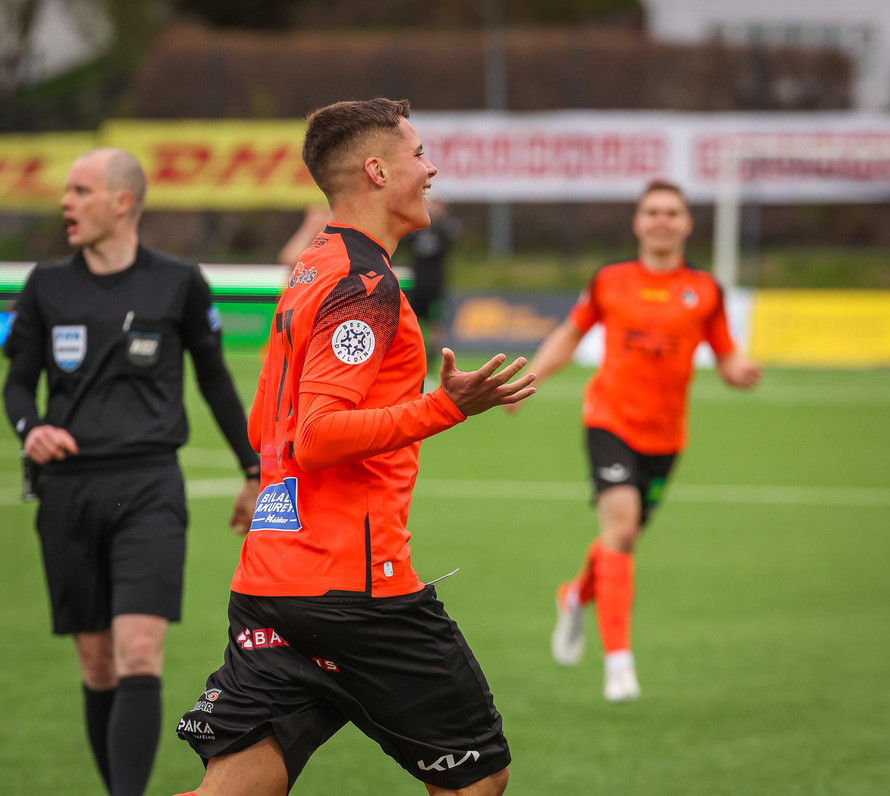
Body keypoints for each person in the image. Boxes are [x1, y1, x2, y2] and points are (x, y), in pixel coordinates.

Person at [173, 98, 535, 796]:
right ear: (377, 170)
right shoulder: (365, 284)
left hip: (271, 581)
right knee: (477, 781)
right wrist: (446, 406)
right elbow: (314, 438)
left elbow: (265, 426)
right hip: (355, 591)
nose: (431, 169)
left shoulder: (312, 266)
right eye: (418, 154)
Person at [2, 147, 261, 796]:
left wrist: (252, 467)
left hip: (149, 487)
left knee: (139, 651)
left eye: (80, 190)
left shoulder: (177, 281)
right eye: (67, 190)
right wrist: (32, 430)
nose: (65, 202)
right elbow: (17, 385)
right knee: (97, 665)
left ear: (123, 203)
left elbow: (215, 381)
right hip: (68, 490)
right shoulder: (44, 286)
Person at [510, 180, 762, 702]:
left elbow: (726, 355)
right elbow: (570, 334)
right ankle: (619, 664)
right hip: (610, 422)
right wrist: (530, 378)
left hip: (666, 437)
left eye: (671, 212)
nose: (661, 220)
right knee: (621, 528)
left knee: (619, 540)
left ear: (687, 223)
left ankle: (574, 597)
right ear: (637, 223)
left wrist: (740, 371)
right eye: (652, 212)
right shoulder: (610, 280)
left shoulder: (705, 291)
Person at [401, 198, 462, 366]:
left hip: (435, 285)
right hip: (416, 283)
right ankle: (414, 357)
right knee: (413, 323)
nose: (434, 211)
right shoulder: (416, 229)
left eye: (438, 208)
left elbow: (453, 235)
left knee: (436, 324)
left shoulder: (445, 229)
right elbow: (403, 238)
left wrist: (438, 221)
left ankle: (435, 361)